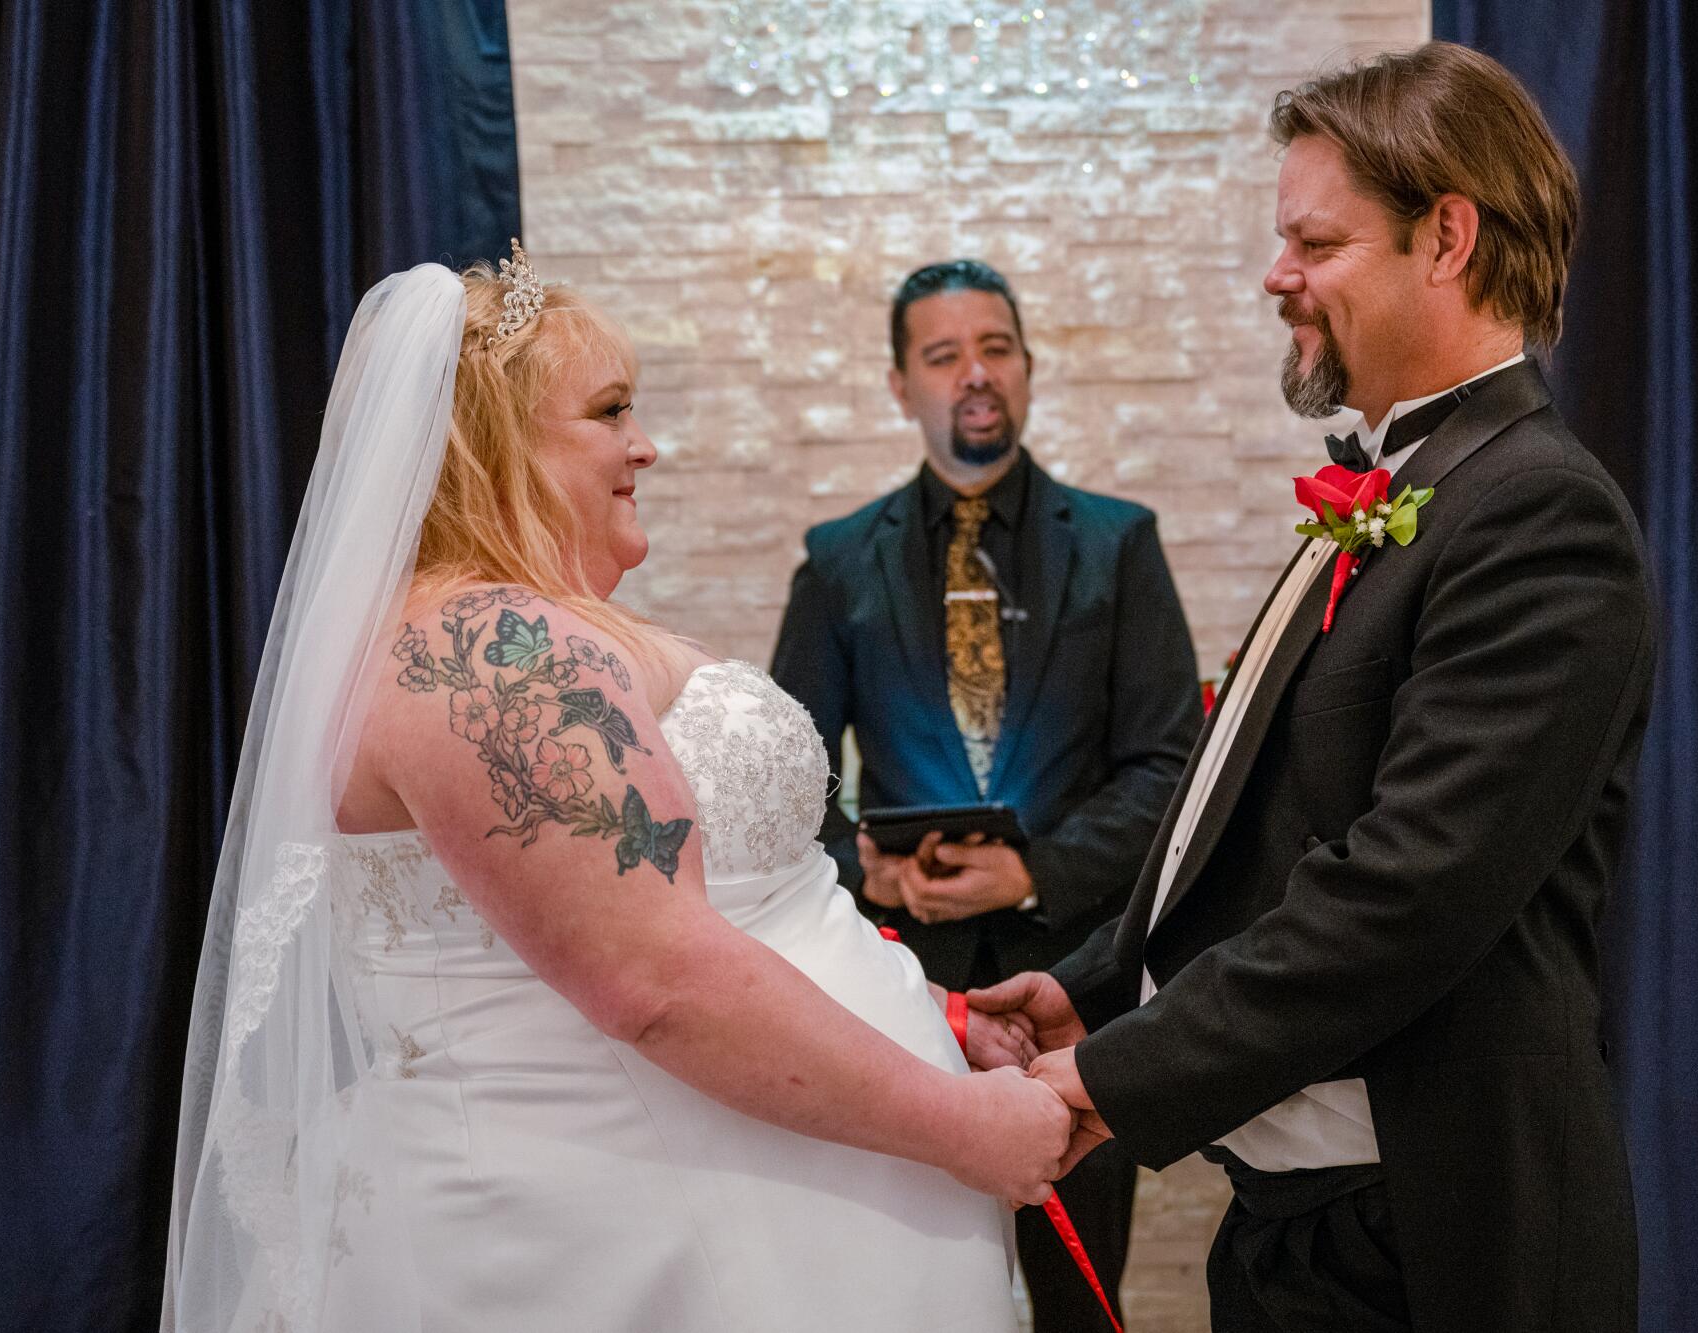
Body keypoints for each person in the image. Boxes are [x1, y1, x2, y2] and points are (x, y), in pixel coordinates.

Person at [163, 245, 1072, 1333]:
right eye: (608, 411)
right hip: (637, 1238)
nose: (644, 445)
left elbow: (713, 910)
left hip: (752, 1192)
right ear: (487, 441)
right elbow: (656, 977)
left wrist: (923, 1013)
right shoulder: (489, 652)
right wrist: (959, 1125)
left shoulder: (515, 627)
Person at [974, 42, 1653, 1333]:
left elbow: (1407, 890)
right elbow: (1270, 823)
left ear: (1446, 236)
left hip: (1442, 1239)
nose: (1277, 276)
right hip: (1301, 1235)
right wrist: (1099, 987)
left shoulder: (1539, 513)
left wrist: (1094, 1087)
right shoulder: (1406, 489)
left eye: (1317, 243)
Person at [770, 259, 1201, 1327]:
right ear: (898, 383)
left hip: (1078, 999)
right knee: (909, 1283)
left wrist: (1032, 872)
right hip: (895, 998)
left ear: (1027, 367)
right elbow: (786, 792)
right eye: (943, 353)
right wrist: (862, 865)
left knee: (1077, 1297)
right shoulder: (835, 564)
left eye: (996, 348)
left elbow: (1169, 770)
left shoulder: (1117, 544)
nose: (975, 373)